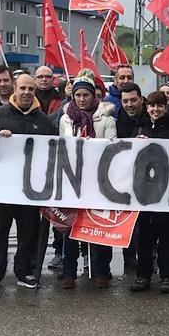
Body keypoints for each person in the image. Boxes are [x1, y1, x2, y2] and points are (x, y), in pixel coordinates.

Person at [0, 73, 57, 290]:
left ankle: (24, 271)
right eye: (23, 88)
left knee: (27, 232)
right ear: (15, 88)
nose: (26, 93)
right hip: (2, 188)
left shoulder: (44, 121)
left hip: (28, 190)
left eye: (31, 89)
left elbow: (54, 153)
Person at [57, 72, 118, 289]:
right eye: (78, 95)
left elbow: (112, 145)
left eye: (86, 95)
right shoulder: (66, 119)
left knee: (99, 227)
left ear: (94, 96)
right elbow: (62, 147)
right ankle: (69, 272)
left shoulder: (106, 118)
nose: (82, 99)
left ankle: (102, 270)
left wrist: (94, 145)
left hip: (98, 181)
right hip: (74, 181)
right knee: (70, 228)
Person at [130, 91, 169, 294]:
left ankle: (167, 276)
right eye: (152, 106)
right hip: (144, 194)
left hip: (168, 193)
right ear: (146, 107)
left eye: (160, 106)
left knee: (167, 237)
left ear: (166, 107)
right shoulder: (139, 126)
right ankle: (143, 275)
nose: (155, 110)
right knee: (144, 238)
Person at [115, 83, 145, 273]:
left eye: (133, 100)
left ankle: (147, 259)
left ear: (141, 99)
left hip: (147, 182)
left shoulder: (151, 117)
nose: (129, 104)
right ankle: (129, 260)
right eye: (125, 101)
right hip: (124, 180)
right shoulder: (115, 121)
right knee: (128, 223)